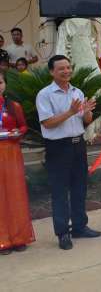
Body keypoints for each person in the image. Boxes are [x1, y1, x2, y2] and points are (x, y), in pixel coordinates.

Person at [36, 55, 101, 250]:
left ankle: (80, 227)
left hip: (77, 145)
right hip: (58, 147)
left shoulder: (78, 92)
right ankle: (63, 233)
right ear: (51, 72)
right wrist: (70, 112)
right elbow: (47, 122)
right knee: (59, 191)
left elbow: (84, 121)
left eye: (68, 67)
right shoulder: (45, 94)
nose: (66, 71)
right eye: (61, 69)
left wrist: (88, 112)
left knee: (79, 187)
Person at [0, 71, 35, 255]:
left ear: (5, 84)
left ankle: (19, 237)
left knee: (15, 193)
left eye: (0, 82)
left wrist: (17, 133)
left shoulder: (14, 106)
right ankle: (3, 239)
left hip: (12, 152)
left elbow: (23, 126)